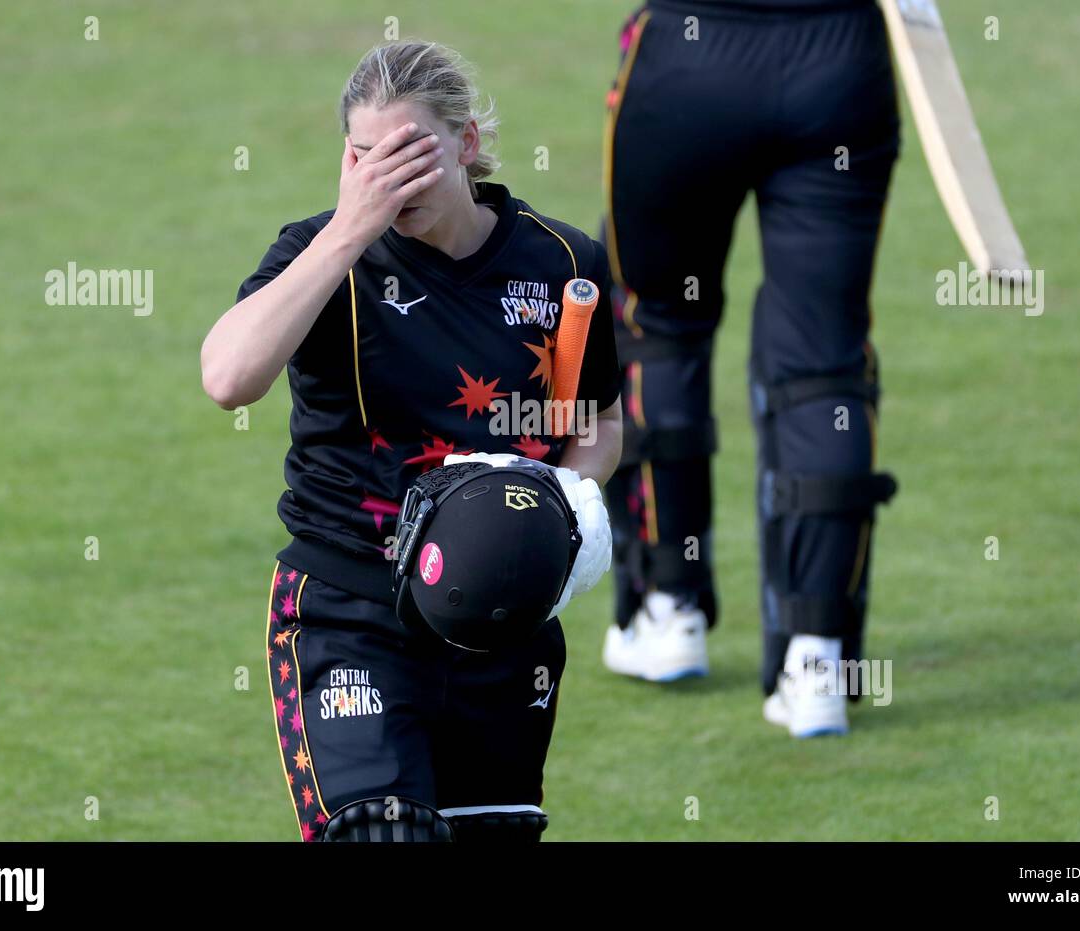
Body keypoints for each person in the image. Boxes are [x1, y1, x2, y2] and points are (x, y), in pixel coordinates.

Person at [201, 40, 622, 840]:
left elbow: (600, 416)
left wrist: (570, 496)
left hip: (501, 617)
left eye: (411, 154)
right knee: (381, 833)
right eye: (367, 156)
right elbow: (228, 377)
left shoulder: (562, 262)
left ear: (465, 143)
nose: (389, 180)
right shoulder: (319, 258)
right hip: (351, 609)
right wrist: (345, 236)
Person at [598, 0, 900, 737]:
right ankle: (817, 660)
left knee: (655, 322)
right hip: (839, 59)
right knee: (824, 362)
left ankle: (667, 608)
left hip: (689, 57)